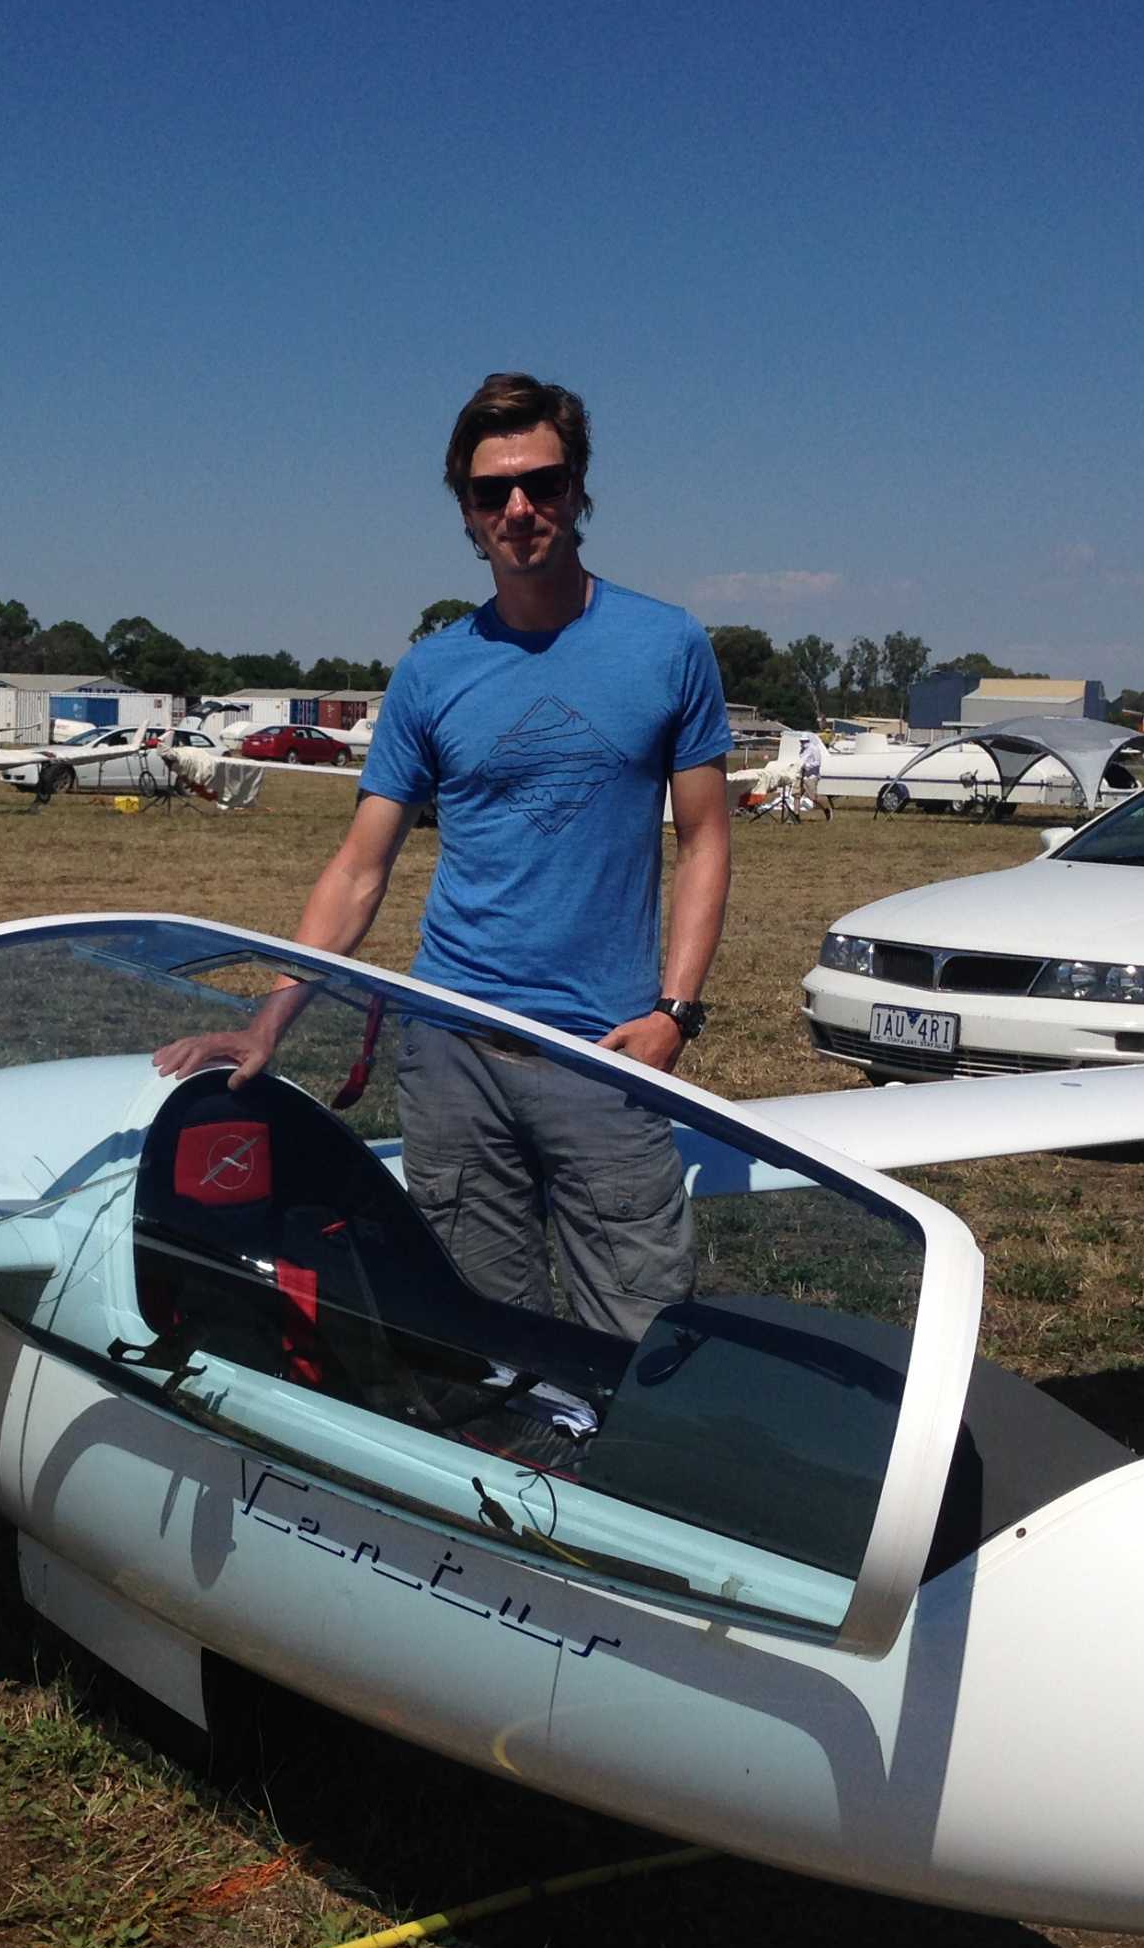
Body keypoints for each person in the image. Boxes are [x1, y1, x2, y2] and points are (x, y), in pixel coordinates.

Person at [154, 372, 732, 1339]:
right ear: (465, 512)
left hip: (604, 1048)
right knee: (479, 1332)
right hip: (451, 1043)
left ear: (578, 486)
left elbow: (706, 839)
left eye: (542, 483)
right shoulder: (431, 670)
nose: (519, 508)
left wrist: (674, 1012)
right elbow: (360, 866)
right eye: (490, 491)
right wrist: (271, 1019)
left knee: (637, 1330)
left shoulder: (666, 645)